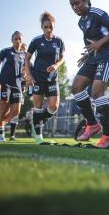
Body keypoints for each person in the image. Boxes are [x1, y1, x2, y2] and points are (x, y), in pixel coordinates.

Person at [69, 0, 109, 148]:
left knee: (97, 92)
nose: (75, 7)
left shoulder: (97, 13)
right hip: (94, 58)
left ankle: (107, 136)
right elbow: (91, 42)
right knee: (76, 88)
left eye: (77, 3)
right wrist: (88, 54)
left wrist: (99, 44)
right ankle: (92, 125)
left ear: (86, 0)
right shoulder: (81, 22)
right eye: (72, 5)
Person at [25, 12, 65, 144]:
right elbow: (27, 57)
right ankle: (38, 136)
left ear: (54, 26)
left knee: (54, 106)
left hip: (52, 78)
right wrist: (29, 75)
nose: (48, 29)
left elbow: (62, 58)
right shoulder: (36, 41)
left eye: (51, 27)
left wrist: (56, 65)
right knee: (38, 105)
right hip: (38, 77)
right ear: (42, 27)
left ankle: (36, 120)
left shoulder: (59, 41)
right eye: (46, 27)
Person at [0, 31, 26, 142]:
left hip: (17, 86)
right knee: (2, 110)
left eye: (20, 39)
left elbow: (24, 71)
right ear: (12, 40)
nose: (18, 41)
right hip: (3, 84)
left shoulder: (24, 55)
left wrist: (24, 81)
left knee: (16, 111)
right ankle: (0, 135)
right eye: (16, 39)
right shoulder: (5, 51)